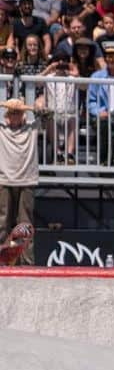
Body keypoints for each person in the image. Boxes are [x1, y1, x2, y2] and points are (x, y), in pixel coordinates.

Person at [0, 96, 43, 266]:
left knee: (25, 224)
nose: (15, 117)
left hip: (26, 180)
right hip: (5, 180)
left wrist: (28, 108)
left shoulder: (32, 128)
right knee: (2, 222)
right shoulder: (2, 129)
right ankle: (2, 260)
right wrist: (7, 104)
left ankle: (27, 262)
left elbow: (48, 114)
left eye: (18, 113)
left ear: (24, 115)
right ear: (6, 116)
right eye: (12, 113)